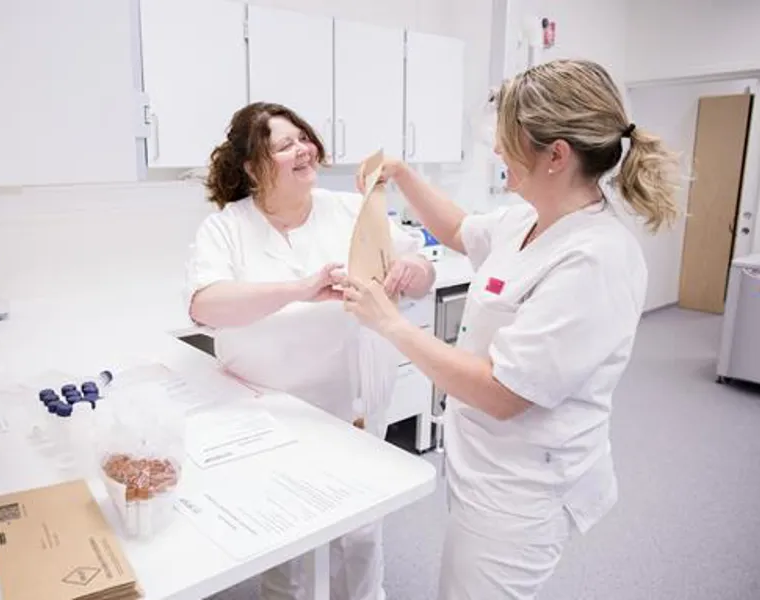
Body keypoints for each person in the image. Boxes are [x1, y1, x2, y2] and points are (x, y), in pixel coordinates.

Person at [340, 59, 681, 599]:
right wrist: (403, 177)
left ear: (557, 154)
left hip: (523, 490)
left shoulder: (594, 259)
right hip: (483, 462)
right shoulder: (529, 218)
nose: (497, 152)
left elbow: (503, 392)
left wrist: (390, 324)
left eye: (507, 141)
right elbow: (456, 229)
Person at [184, 101, 436, 600]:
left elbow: (420, 266)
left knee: (361, 534)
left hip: (353, 403)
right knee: (286, 539)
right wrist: (300, 288)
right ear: (254, 168)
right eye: (284, 145)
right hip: (271, 415)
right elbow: (205, 305)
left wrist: (415, 272)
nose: (304, 149)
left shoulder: (349, 209)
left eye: (304, 138)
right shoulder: (227, 228)